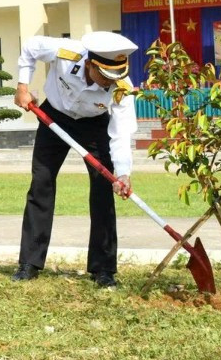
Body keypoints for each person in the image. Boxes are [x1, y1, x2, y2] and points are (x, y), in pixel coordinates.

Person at [11, 30, 139, 287]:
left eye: (114, 77)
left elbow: (121, 134)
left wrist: (122, 173)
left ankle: (103, 269)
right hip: (54, 117)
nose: (108, 83)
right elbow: (31, 47)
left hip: (94, 127)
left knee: (104, 188)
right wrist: (22, 87)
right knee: (41, 184)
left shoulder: (121, 89)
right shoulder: (66, 52)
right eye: (103, 75)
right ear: (89, 64)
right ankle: (30, 263)